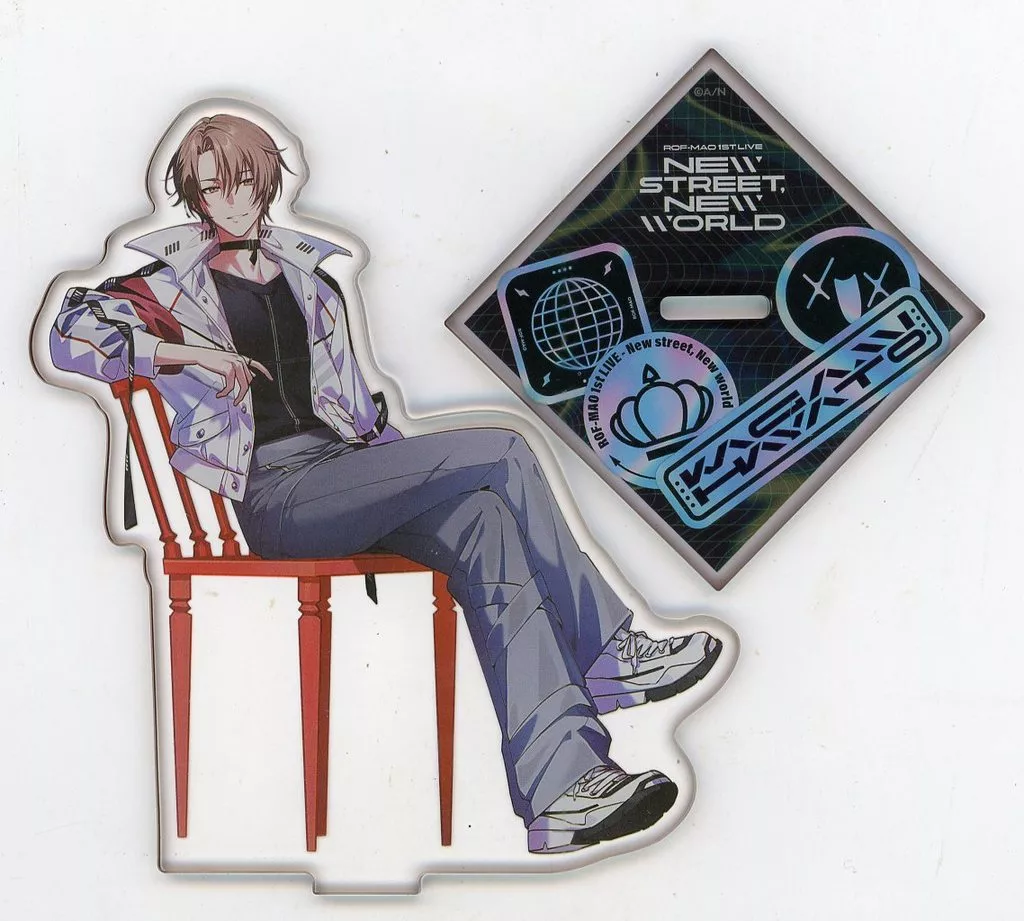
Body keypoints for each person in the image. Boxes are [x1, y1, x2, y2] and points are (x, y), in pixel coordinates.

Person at [49, 111, 725, 855]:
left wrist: (414, 479)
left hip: (349, 474)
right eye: (211, 190)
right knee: (503, 449)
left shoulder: (313, 283)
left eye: (241, 183)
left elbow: (360, 420)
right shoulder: (163, 288)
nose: (229, 202)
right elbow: (67, 336)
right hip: (277, 497)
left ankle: (564, 789)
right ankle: (609, 654)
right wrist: (187, 356)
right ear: (195, 197)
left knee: (485, 519)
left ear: (266, 181)